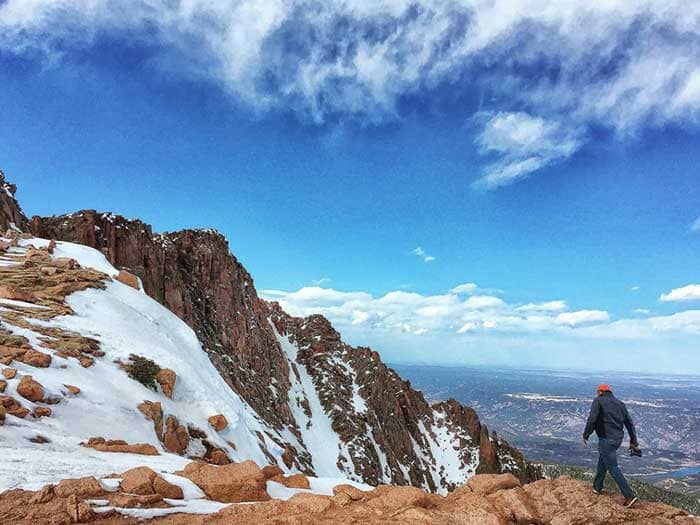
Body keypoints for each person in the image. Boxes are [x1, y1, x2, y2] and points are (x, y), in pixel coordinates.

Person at [583, 384, 639, 509]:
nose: (597, 394)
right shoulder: (620, 404)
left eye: (598, 392)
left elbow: (592, 419)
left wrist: (586, 434)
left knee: (612, 466)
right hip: (617, 439)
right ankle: (597, 487)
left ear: (600, 392)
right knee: (603, 460)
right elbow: (630, 423)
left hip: (606, 438)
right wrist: (633, 441)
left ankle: (629, 496)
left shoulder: (598, 401)